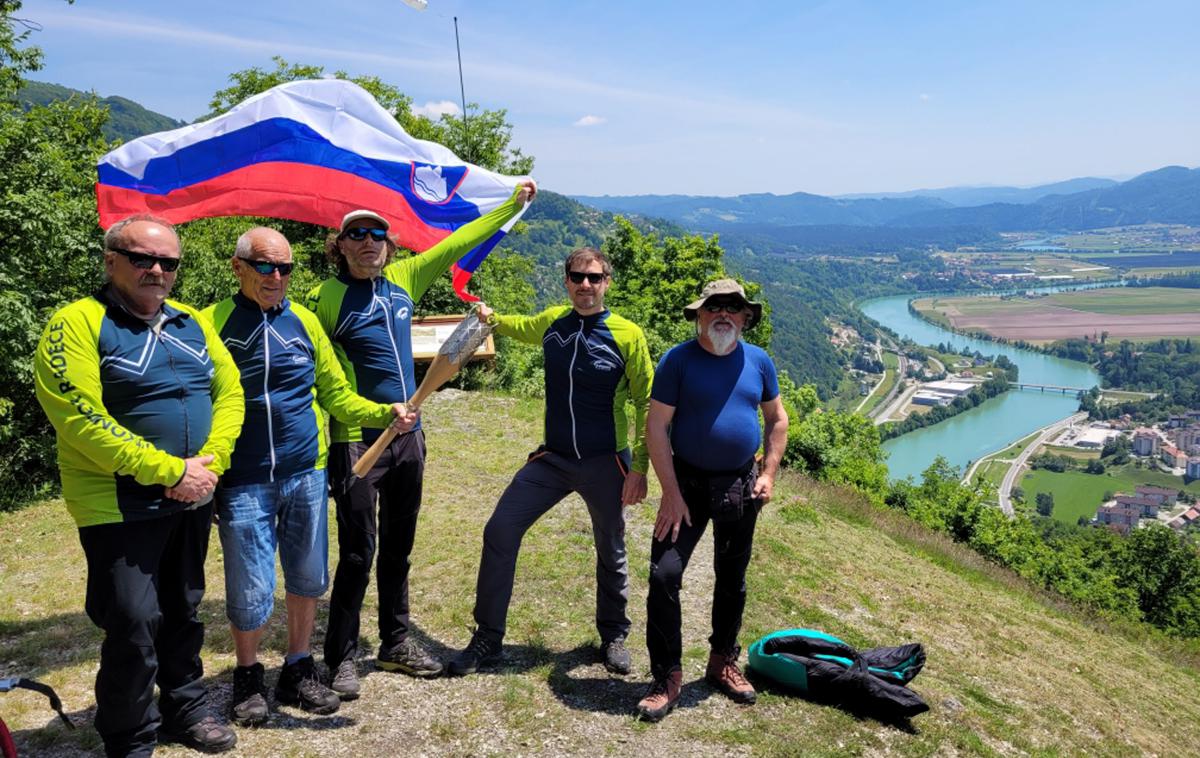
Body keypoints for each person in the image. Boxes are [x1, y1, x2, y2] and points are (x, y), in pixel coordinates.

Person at [306, 181, 536, 697]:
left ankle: (394, 642)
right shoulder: (326, 298)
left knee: (400, 546)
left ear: (389, 246)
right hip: (355, 439)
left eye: (379, 236)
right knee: (358, 551)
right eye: (358, 235)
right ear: (340, 245)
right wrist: (359, 419)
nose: (370, 243)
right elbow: (325, 375)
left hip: (409, 435)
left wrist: (509, 205)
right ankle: (340, 656)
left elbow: (457, 243)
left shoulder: (405, 279)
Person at [34, 215, 245, 756]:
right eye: (142, 258)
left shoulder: (192, 321)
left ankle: (186, 705)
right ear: (111, 261)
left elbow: (230, 394)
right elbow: (80, 418)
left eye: (168, 262)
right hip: (118, 502)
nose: (156, 270)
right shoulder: (76, 323)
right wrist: (170, 470)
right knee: (132, 619)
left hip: (194, 492)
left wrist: (209, 462)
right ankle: (129, 733)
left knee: (184, 606)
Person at [202, 227, 417, 724]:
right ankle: (248, 674)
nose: (276, 277)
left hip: (306, 470)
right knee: (251, 586)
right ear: (238, 268)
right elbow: (197, 395)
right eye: (264, 266)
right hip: (244, 477)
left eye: (285, 268)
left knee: (308, 576)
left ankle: (298, 667)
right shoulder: (211, 323)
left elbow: (335, 393)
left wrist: (384, 412)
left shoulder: (304, 322)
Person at [447, 247, 653, 676]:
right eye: (577, 277)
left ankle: (613, 634)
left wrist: (639, 470)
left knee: (610, 547)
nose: (585, 285)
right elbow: (518, 326)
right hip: (554, 459)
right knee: (500, 529)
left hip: (606, 462)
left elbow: (646, 404)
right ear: (566, 281)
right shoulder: (553, 322)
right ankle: (488, 637)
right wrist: (490, 317)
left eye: (594, 278)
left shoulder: (627, 334)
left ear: (607, 282)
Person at [634, 278, 789, 722]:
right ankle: (666, 675)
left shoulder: (759, 361)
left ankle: (723, 661)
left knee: (732, 577)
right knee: (665, 575)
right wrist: (670, 494)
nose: (723, 314)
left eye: (733, 308)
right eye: (714, 307)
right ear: (699, 315)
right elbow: (657, 428)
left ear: (745, 317)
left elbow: (777, 418)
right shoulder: (677, 361)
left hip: (740, 483)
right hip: (686, 483)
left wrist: (770, 474)